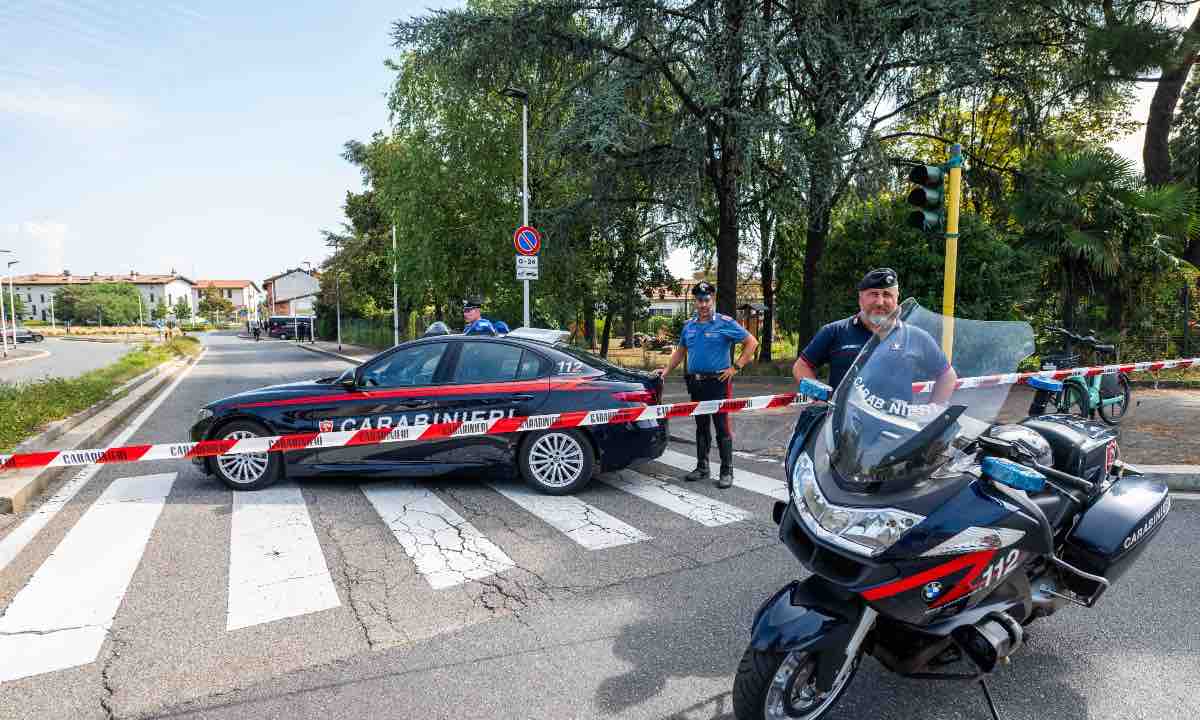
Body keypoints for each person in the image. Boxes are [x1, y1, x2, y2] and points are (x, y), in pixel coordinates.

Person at [792, 268, 957, 404]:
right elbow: (801, 367)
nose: (880, 302)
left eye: (887, 295)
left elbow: (947, 376)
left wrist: (930, 413)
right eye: (873, 294)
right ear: (861, 299)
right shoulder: (834, 331)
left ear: (896, 299)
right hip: (844, 430)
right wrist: (821, 398)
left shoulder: (917, 337)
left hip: (897, 433)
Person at [655, 281, 759, 489]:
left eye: (706, 300)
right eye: (699, 300)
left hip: (718, 383)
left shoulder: (725, 323)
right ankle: (702, 467)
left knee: (721, 426)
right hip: (696, 383)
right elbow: (680, 351)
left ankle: (726, 470)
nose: (702, 304)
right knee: (701, 426)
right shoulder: (689, 325)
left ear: (712, 300)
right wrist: (666, 371)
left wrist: (735, 367)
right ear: (695, 302)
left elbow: (752, 342)